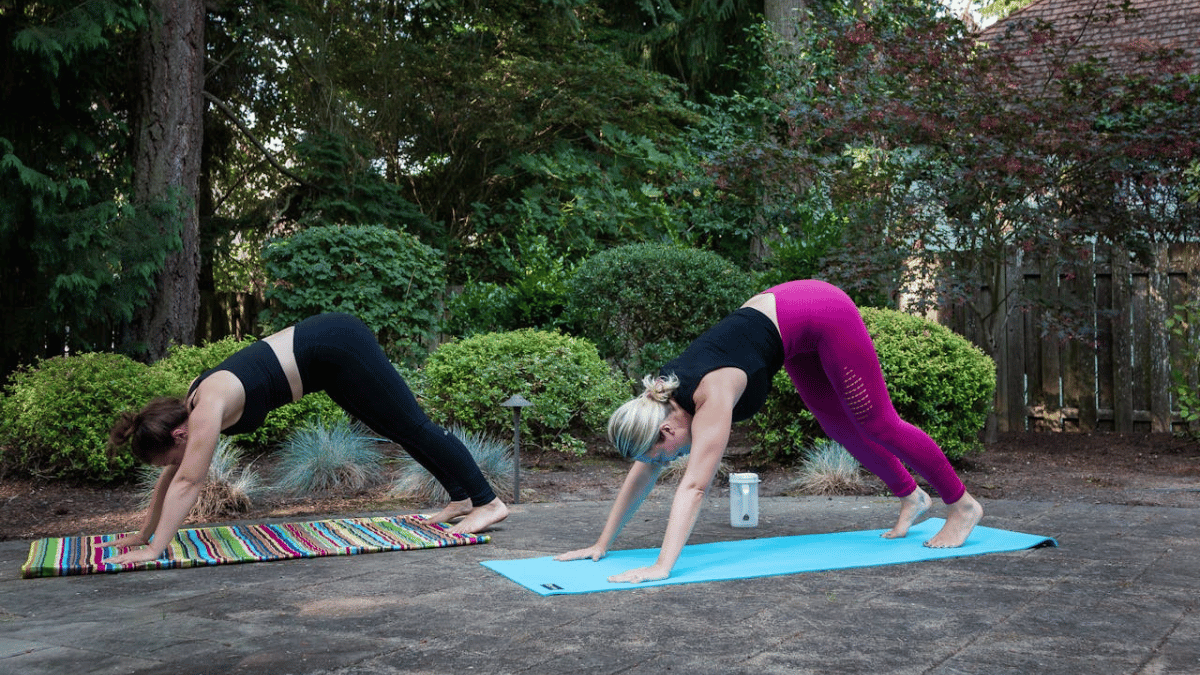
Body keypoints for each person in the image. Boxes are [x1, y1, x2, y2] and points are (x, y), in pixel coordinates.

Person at [555, 279, 983, 583]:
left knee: (877, 422)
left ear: (668, 429)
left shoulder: (711, 395)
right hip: (791, 332)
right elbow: (642, 469)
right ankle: (912, 495)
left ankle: (962, 506)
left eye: (662, 455)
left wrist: (662, 566)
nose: (665, 463)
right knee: (838, 427)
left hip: (821, 311)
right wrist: (602, 543)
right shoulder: (660, 401)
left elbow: (694, 488)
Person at [101, 312, 508, 565]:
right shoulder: (192, 405)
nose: (174, 465)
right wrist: (143, 533)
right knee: (398, 430)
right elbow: (173, 477)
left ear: (178, 434)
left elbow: (188, 481)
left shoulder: (206, 407)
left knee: (414, 425)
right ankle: (462, 497)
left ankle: (488, 502)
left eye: (171, 455)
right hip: (327, 365)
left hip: (338, 344)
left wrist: (156, 550)